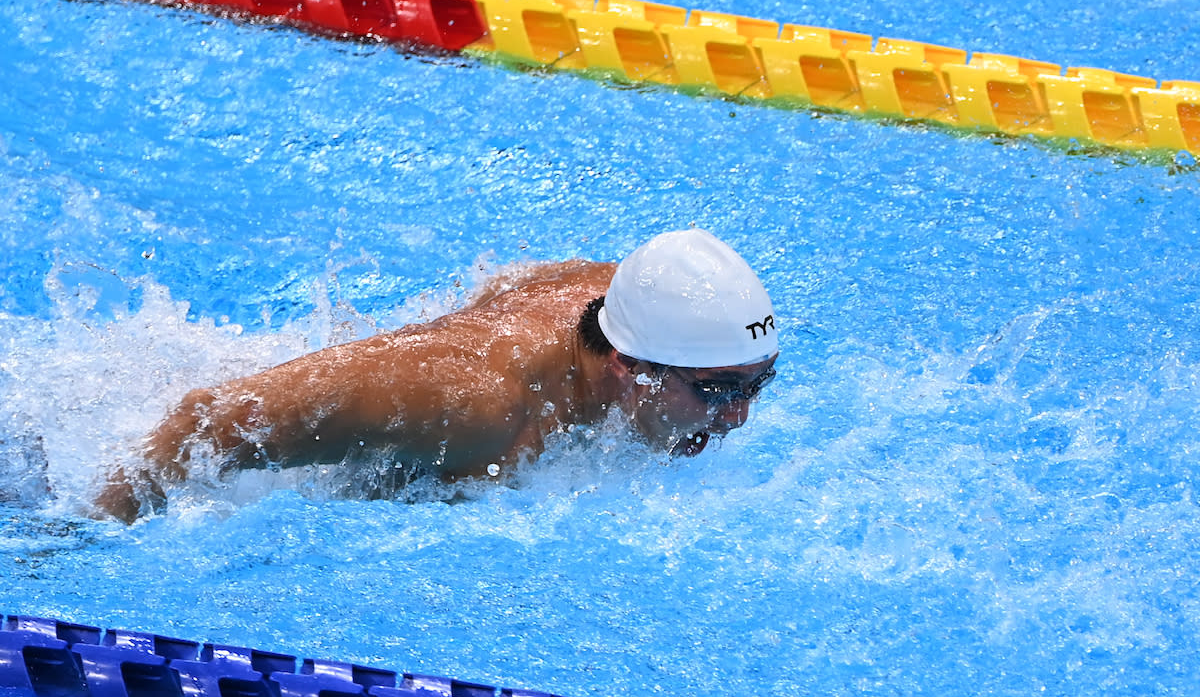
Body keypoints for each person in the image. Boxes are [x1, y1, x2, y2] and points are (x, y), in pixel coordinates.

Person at [93, 229, 779, 522]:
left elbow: (509, 286)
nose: (739, 416)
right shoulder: (476, 404)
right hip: (99, 448)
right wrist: (87, 535)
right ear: (628, 367)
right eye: (718, 390)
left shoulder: (626, 298)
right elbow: (205, 421)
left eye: (756, 385)